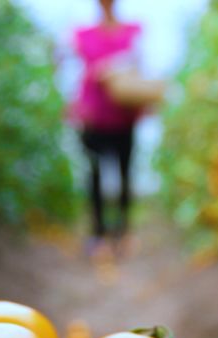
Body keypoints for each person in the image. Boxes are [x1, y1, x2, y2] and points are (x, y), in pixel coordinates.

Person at [71, 0, 145, 257]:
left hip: (124, 116)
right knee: (94, 176)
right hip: (93, 117)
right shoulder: (82, 35)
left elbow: (141, 64)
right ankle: (98, 233)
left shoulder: (133, 31)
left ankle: (123, 232)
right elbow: (71, 69)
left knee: (125, 174)